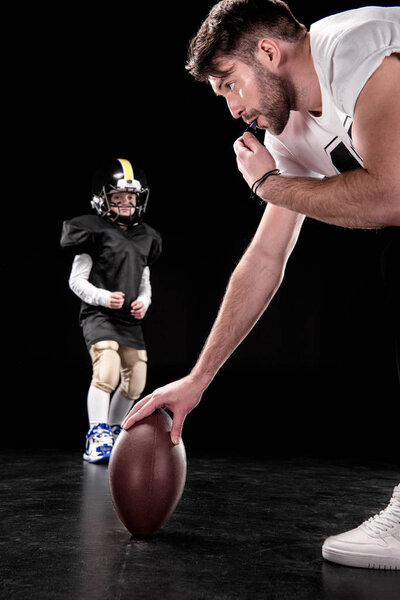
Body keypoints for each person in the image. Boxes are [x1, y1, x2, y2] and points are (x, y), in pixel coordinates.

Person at [122, 1, 400, 569]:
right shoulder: (292, 134)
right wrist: (199, 379)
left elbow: (393, 196)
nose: (232, 107)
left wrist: (272, 187)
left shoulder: (356, 47)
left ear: (269, 53)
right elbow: (265, 258)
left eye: (229, 84)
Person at [61, 158, 162, 463]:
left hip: (127, 318)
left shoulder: (148, 237)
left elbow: (144, 281)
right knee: (106, 370)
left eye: (131, 199)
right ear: (103, 199)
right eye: (117, 198)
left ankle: (115, 431)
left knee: (136, 380)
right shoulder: (91, 231)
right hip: (100, 314)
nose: (126, 205)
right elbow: (76, 281)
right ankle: (97, 433)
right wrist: (104, 298)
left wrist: (143, 302)